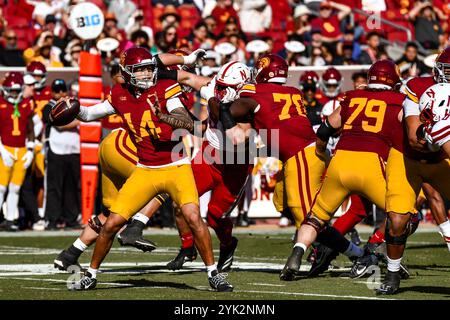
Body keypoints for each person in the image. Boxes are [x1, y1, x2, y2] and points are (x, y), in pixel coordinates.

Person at [63, 47, 232, 292]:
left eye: (147, 69)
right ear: (127, 73)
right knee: (111, 224)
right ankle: (91, 274)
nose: (145, 74)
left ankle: (213, 273)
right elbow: (89, 114)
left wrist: (164, 117)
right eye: (139, 70)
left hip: (176, 166)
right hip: (145, 169)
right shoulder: (119, 94)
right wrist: (73, 107)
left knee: (194, 218)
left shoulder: (165, 89)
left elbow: (191, 125)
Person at [279, 60, 405, 282]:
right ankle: (374, 252)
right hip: (373, 164)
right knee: (404, 215)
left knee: (315, 218)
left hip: (340, 160)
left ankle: (298, 253)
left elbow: (326, 128)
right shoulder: (399, 101)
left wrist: (322, 154)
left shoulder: (351, 97)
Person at [42, 79, 81, 230]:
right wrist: (78, 122)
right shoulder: (48, 106)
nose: (60, 93)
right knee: (54, 187)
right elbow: (58, 124)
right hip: (56, 150)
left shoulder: (73, 104)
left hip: (72, 149)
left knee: (72, 187)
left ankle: (71, 219)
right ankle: (52, 220)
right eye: (57, 90)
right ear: (52, 92)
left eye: (62, 90)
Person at [0, 72, 35, 231]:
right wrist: (2, 151)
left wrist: (31, 149)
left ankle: (10, 219)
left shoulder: (26, 104)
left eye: (16, 90)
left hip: (21, 150)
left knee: (15, 188)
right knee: (1, 187)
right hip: (5, 148)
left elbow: (30, 128)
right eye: (11, 90)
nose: (14, 93)